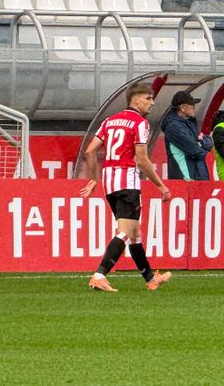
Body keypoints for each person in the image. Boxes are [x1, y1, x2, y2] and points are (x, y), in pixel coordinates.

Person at [78, 82, 172, 292]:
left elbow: (90, 151)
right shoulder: (140, 123)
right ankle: (99, 275)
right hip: (127, 181)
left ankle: (150, 278)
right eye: (148, 98)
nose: (152, 102)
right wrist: (161, 185)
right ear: (135, 100)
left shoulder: (109, 121)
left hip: (109, 182)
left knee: (135, 231)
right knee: (125, 231)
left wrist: (93, 179)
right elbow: (142, 159)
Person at [161, 90, 211, 181]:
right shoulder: (173, 126)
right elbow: (196, 151)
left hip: (195, 175)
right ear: (183, 107)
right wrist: (201, 144)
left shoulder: (189, 123)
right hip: (185, 178)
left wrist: (200, 143)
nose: (194, 108)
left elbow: (208, 141)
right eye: (192, 106)